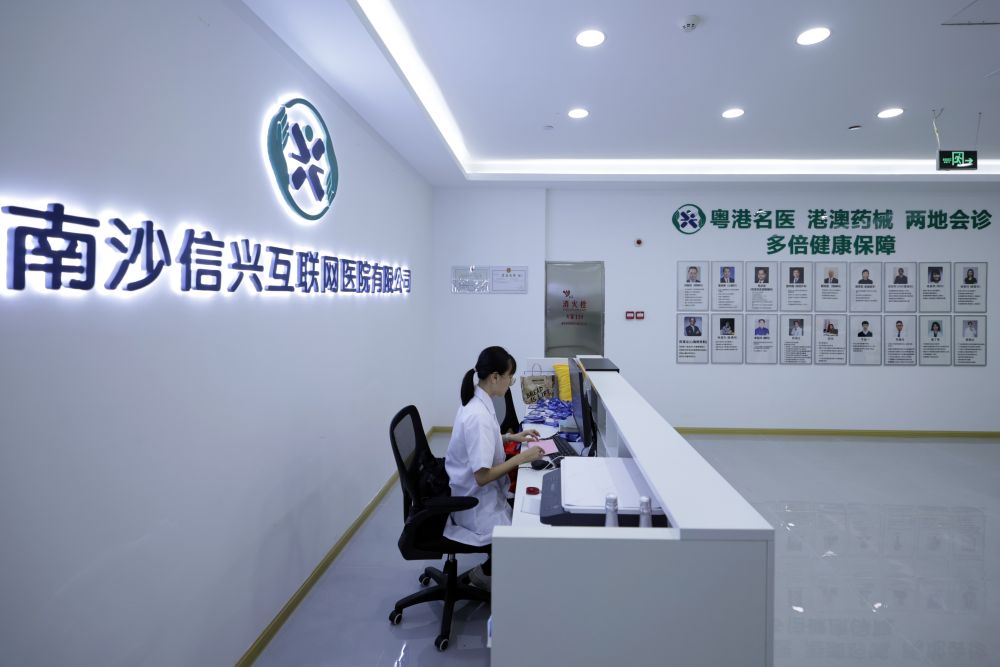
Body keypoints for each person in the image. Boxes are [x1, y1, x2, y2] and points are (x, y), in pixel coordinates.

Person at [444, 346, 544, 590]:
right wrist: (522, 458)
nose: (511, 382)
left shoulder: (478, 402)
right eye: (510, 376)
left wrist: (511, 438)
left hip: (473, 493)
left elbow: (485, 440)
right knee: (522, 531)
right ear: (495, 377)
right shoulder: (477, 415)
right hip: (473, 504)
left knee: (522, 508)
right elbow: (482, 477)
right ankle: (484, 574)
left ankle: (490, 569)